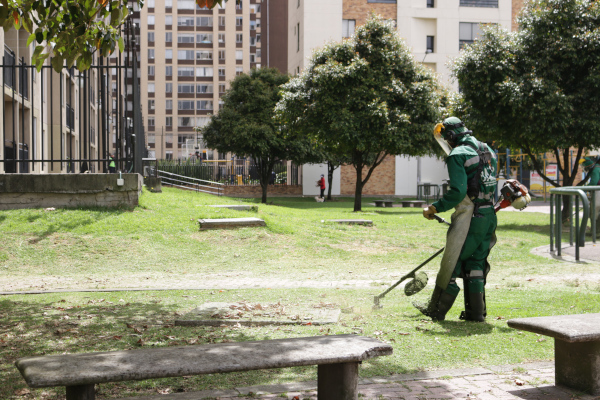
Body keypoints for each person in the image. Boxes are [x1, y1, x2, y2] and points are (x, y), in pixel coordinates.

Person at [417, 117, 498, 323]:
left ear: (452, 136)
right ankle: (476, 313)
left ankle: (435, 310)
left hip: (470, 217)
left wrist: (434, 207)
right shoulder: (488, 150)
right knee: (476, 263)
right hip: (488, 215)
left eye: (447, 139)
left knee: (452, 261)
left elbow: (458, 192)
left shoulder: (457, 154)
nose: (448, 143)